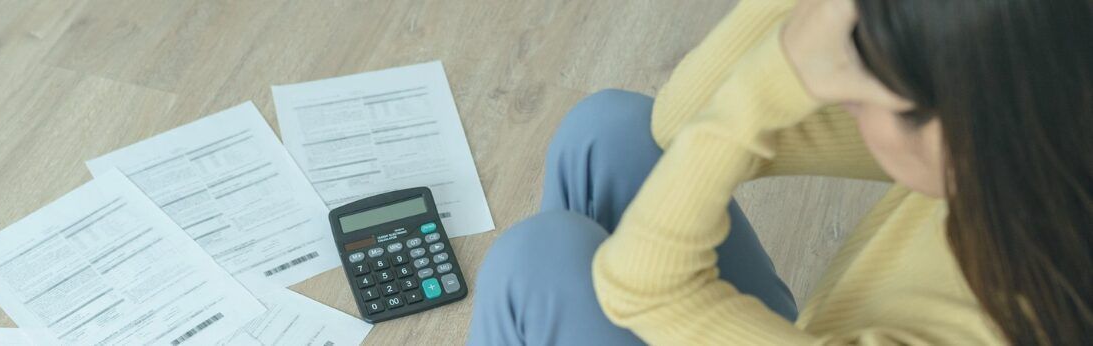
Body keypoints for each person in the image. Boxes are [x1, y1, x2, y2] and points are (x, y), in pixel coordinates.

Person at [468, 0, 1092, 344]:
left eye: (861, 92)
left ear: (944, 128)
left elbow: (643, 284)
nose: (844, 98)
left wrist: (783, 73)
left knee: (535, 265)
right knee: (610, 131)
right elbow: (683, 117)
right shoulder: (1036, 139)